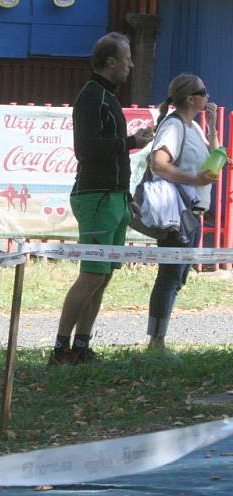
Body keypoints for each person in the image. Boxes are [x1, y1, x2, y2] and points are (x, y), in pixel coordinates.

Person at [48, 32, 153, 366]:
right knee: (91, 274)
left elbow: (110, 151)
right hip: (95, 197)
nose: (131, 65)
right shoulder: (92, 96)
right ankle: (60, 349)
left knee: (104, 275)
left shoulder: (106, 95)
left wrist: (125, 195)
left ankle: (81, 346)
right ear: (110, 62)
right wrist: (132, 140)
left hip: (113, 197)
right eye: (127, 59)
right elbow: (89, 150)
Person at [145, 74, 219, 350]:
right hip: (177, 213)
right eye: (204, 92)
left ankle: (158, 338)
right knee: (170, 275)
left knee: (178, 276)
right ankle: (156, 341)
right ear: (191, 98)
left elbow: (215, 157)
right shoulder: (174, 126)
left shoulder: (194, 128)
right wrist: (195, 179)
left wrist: (211, 127)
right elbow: (159, 164)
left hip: (194, 213)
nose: (208, 97)